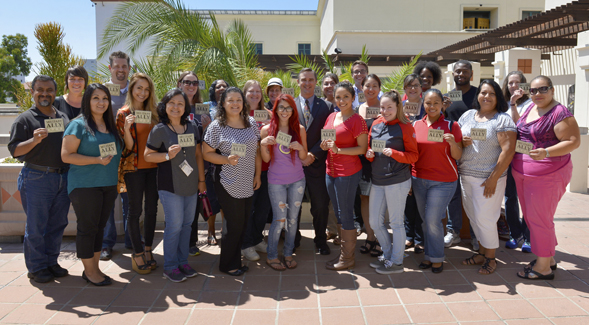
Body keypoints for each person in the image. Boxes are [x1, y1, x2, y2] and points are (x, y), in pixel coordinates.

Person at [514, 76, 580, 280]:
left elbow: (573, 141)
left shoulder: (559, 113)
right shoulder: (529, 108)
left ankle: (543, 268)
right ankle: (548, 258)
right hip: (524, 172)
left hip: (548, 174)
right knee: (533, 218)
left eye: (543, 89)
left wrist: (547, 152)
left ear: (552, 90)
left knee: (539, 218)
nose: (537, 94)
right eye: (533, 90)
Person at [8, 75, 71, 283]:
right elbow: (15, 150)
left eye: (49, 90)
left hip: (62, 178)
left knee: (57, 224)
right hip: (36, 178)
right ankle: (36, 267)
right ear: (33, 92)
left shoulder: (62, 117)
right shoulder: (25, 119)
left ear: (55, 92)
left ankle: (51, 262)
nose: (45, 94)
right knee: (36, 226)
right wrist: (34, 140)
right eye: (40, 90)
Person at [62, 83, 122, 286]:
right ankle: (89, 272)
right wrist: (96, 159)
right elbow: (66, 155)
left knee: (99, 227)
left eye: (104, 98)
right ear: (87, 100)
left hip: (108, 184)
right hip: (85, 185)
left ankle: (93, 268)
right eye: (96, 98)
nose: (101, 102)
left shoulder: (110, 126)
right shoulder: (78, 125)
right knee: (88, 228)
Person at [144, 88, 206, 282]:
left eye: (180, 104)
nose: (176, 107)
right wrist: (166, 155)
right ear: (165, 106)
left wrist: (202, 181)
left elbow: (197, 155)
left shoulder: (192, 126)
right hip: (169, 185)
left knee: (187, 225)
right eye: (172, 103)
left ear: (185, 107)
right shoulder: (160, 129)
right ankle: (170, 266)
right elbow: (147, 155)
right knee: (174, 226)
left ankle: (182, 261)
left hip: (191, 183)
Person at [458, 80, 517, 275]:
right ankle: (482, 253)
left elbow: (508, 151)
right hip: (466, 176)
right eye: (483, 93)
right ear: (478, 96)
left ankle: (491, 258)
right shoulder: (467, 115)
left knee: (486, 218)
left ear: (497, 97)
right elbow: (457, 139)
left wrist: (493, 177)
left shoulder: (502, 120)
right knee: (474, 217)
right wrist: (462, 142)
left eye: (491, 93)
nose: (486, 97)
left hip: (489, 179)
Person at [202, 87, 262, 276]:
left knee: (243, 223)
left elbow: (257, 151)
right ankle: (228, 265)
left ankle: (234, 260)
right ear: (223, 104)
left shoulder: (251, 122)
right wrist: (226, 159)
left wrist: (258, 175)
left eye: (238, 100)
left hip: (248, 180)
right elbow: (206, 153)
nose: (235, 104)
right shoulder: (216, 126)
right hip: (227, 180)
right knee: (234, 224)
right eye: (230, 100)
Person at [365, 90, 418, 274]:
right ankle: (388, 255)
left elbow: (414, 156)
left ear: (398, 107)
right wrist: (369, 155)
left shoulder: (406, 126)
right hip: (378, 180)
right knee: (374, 222)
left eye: (390, 107)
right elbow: (371, 148)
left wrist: (394, 153)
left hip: (397, 181)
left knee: (396, 223)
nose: (385, 111)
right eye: (383, 107)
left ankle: (397, 263)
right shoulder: (376, 124)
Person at [412, 89, 462, 274]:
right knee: (426, 220)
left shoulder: (451, 125)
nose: (431, 106)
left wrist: (452, 144)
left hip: (443, 181)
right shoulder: (416, 124)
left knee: (433, 220)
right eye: (428, 103)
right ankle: (429, 256)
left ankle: (437, 258)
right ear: (423, 104)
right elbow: (413, 154)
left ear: (443, 104)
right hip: (419, 179)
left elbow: (458, 155)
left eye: (435, 103)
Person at [116, 73, 159, 275]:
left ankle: (149, 249)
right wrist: (126, 128)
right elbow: (128, 148)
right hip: (134, 169)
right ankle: (138, 252)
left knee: (151, 210)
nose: (143, 92)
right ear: (131, 89)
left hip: (154, 169)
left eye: (146, 89)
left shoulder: (154, 112)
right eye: (139, 88)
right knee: (134, 211)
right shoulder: (123, 114)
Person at [323, 81, 368, 270]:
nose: (342, 100)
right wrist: (325, 145)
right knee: (339, 212)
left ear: (353, 98)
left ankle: (348, 258)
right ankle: (343, 254)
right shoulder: (332, 116)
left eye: (346, 97)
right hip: (330, 170)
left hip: (348, 172)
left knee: (346, 212)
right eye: (338, 97)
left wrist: (338, 149)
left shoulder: (357, 120)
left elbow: (362, 148)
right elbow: (325, 138)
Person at [260, 94, 307, 270]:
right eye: (281, 107)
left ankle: (288, 253)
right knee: (279, 219)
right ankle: (272, 256)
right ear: (275, 110)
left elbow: (304, 156)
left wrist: (301, 148)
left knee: (293, 219)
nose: (285, 111)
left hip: (297, 180)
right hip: (276, 181)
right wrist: (263, 144)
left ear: (293, 110)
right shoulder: (267, 130)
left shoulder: (299, 129)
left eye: (288, 108)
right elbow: (265, 159)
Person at [177, 72, 219, 256]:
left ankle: (191, 242)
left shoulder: (202, 108)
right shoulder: (174, 105)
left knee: (193, 206)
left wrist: (206, 127)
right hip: (176, 163)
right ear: (180, 84)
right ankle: (177, 244)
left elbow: (207, 138)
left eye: (195, 83)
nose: (191, 85)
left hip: (198, 164)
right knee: (178, 207)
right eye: (187, 82)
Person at [294, 68, 334, 255]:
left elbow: (329, 134)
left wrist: (312, 154)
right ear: (298, 82)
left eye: (311, 80)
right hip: (293, 165)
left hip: (317, 164)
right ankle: (294, 240)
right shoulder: (290, 105)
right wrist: (300, 155)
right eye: (304, 80)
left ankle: (320, 241)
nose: (307, 83)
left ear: (316, 82)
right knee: (294, 206)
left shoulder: (326, 106)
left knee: (320, 206)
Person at [443, 60, 478, 250]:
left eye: (465, 71)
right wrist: (442, 109)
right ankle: (453, 232)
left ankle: (475, 235)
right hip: (452, 152)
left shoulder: (479, 94)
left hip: (475, 151)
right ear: (453, 74)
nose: (461, 74)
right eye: (457, 71)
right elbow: (442, 121)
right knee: (453, 194)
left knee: (472, 195)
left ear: (471, 74)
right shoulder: (448, 97)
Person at [101, 51, 132, 260]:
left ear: (129, 68)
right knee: (107, 201)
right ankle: (106, 244)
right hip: (107, 153)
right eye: (116, 66)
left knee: (131, 199)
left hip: (131, 153)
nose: (120, 70)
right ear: (110, 68)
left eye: (124, 66)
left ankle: (132, 241)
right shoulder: (101, 91)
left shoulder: (137, 90)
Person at [501, 71, 533, 252]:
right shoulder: (501, 104)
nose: (513, 86)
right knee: (510, 197)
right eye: (510, 83)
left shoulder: (530, 104)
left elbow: (517, 125)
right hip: (507, 156)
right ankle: (515, 234)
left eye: (517, 82)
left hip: (523, 156)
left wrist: (513, 103)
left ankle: (528, 237)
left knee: (527, 198)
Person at [242, 80, 273, 261]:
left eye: (258, 91)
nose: (255, 95)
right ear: (244, 94)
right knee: (249, 208)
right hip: (246, 169)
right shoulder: (239, 114)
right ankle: (246, 244)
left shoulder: (268, 114)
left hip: (268, 169)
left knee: (263, 209)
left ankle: (256, 238)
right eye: (251, 92)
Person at [356, 74, 383, 257]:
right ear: (362, 88)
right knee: (365, 198)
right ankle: (370, 237)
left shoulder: (385, 107)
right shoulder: (358, 108)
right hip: (363, 161)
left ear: (379, 88)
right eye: (367, 85)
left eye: (374, 85)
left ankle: (381, 238)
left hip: (382, 160)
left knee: (381, 200)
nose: (371, 89)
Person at [203, 79, 229, 245]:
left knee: (225, 199)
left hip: (227, 157)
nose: (221, 88)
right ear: (213, 90)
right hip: (209, 158)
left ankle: (224, 229)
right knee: (211, 198)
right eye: (218, 86)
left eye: (224, 86)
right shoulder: (205, 106)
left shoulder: (230, 105)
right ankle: (210, 231)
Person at [402, 74, 425, 254]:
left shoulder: (428, 106)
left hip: (424, 159)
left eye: (416, 85)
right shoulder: (400, 109)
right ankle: (408, 236)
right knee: (407, 201)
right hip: (404, 160)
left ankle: (420, 238)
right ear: (405, 89)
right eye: (409, 86)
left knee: (420, 202)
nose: (413, 89)